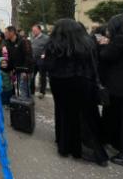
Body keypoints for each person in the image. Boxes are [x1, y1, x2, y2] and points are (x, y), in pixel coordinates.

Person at [43, 19, 108, 166]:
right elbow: (94, 64)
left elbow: (48, 66)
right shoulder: (87, 44)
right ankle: (92, 147)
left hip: (60, 83)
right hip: (84, 82)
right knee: (87, 115)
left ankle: (65, 145)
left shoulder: (53, 45)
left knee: (64, 113)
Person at [97, 13, 123, 167]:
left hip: (122, 88)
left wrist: (104, 44)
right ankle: (122, 146)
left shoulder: (121, 40)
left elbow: (106, 55)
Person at [4, 26, 34, 98]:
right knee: (23, 89)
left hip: (26, 70)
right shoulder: (8, 43)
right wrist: (10, 69)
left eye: (6, 32)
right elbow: (11, 58)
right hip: (17, 69)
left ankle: (25, 106)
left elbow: (28, 56)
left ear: (12, 33)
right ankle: (26, 105)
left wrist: (25, 71)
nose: (5, 34)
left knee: (23, 88)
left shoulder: (23, 41)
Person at [30, 24, 49, 98]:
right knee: (32, 76)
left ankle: (42, 92)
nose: (33, 32)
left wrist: (44, 54)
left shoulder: (46, 38)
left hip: (41, 60)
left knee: (42, 76)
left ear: (39, 30)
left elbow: (48, 48)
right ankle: (32, 91)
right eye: (33, 30)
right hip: (33, 60)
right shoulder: (32, 37)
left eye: (35, 30)